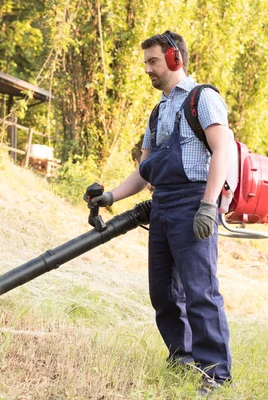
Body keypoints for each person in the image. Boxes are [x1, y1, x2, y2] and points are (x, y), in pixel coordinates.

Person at [84, 30, 232, 396]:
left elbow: (223, 151)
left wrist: (209, 205)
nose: (147, 69)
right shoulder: (159, 110)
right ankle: (181, 358)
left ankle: (215, 373)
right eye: (146, 62)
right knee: (163, 293)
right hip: (163, 205)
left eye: (153, 61)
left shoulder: (203, 99)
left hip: (194, 202)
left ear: (173, 59)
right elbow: (145, 170)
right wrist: (112, 196)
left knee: (200, 291)